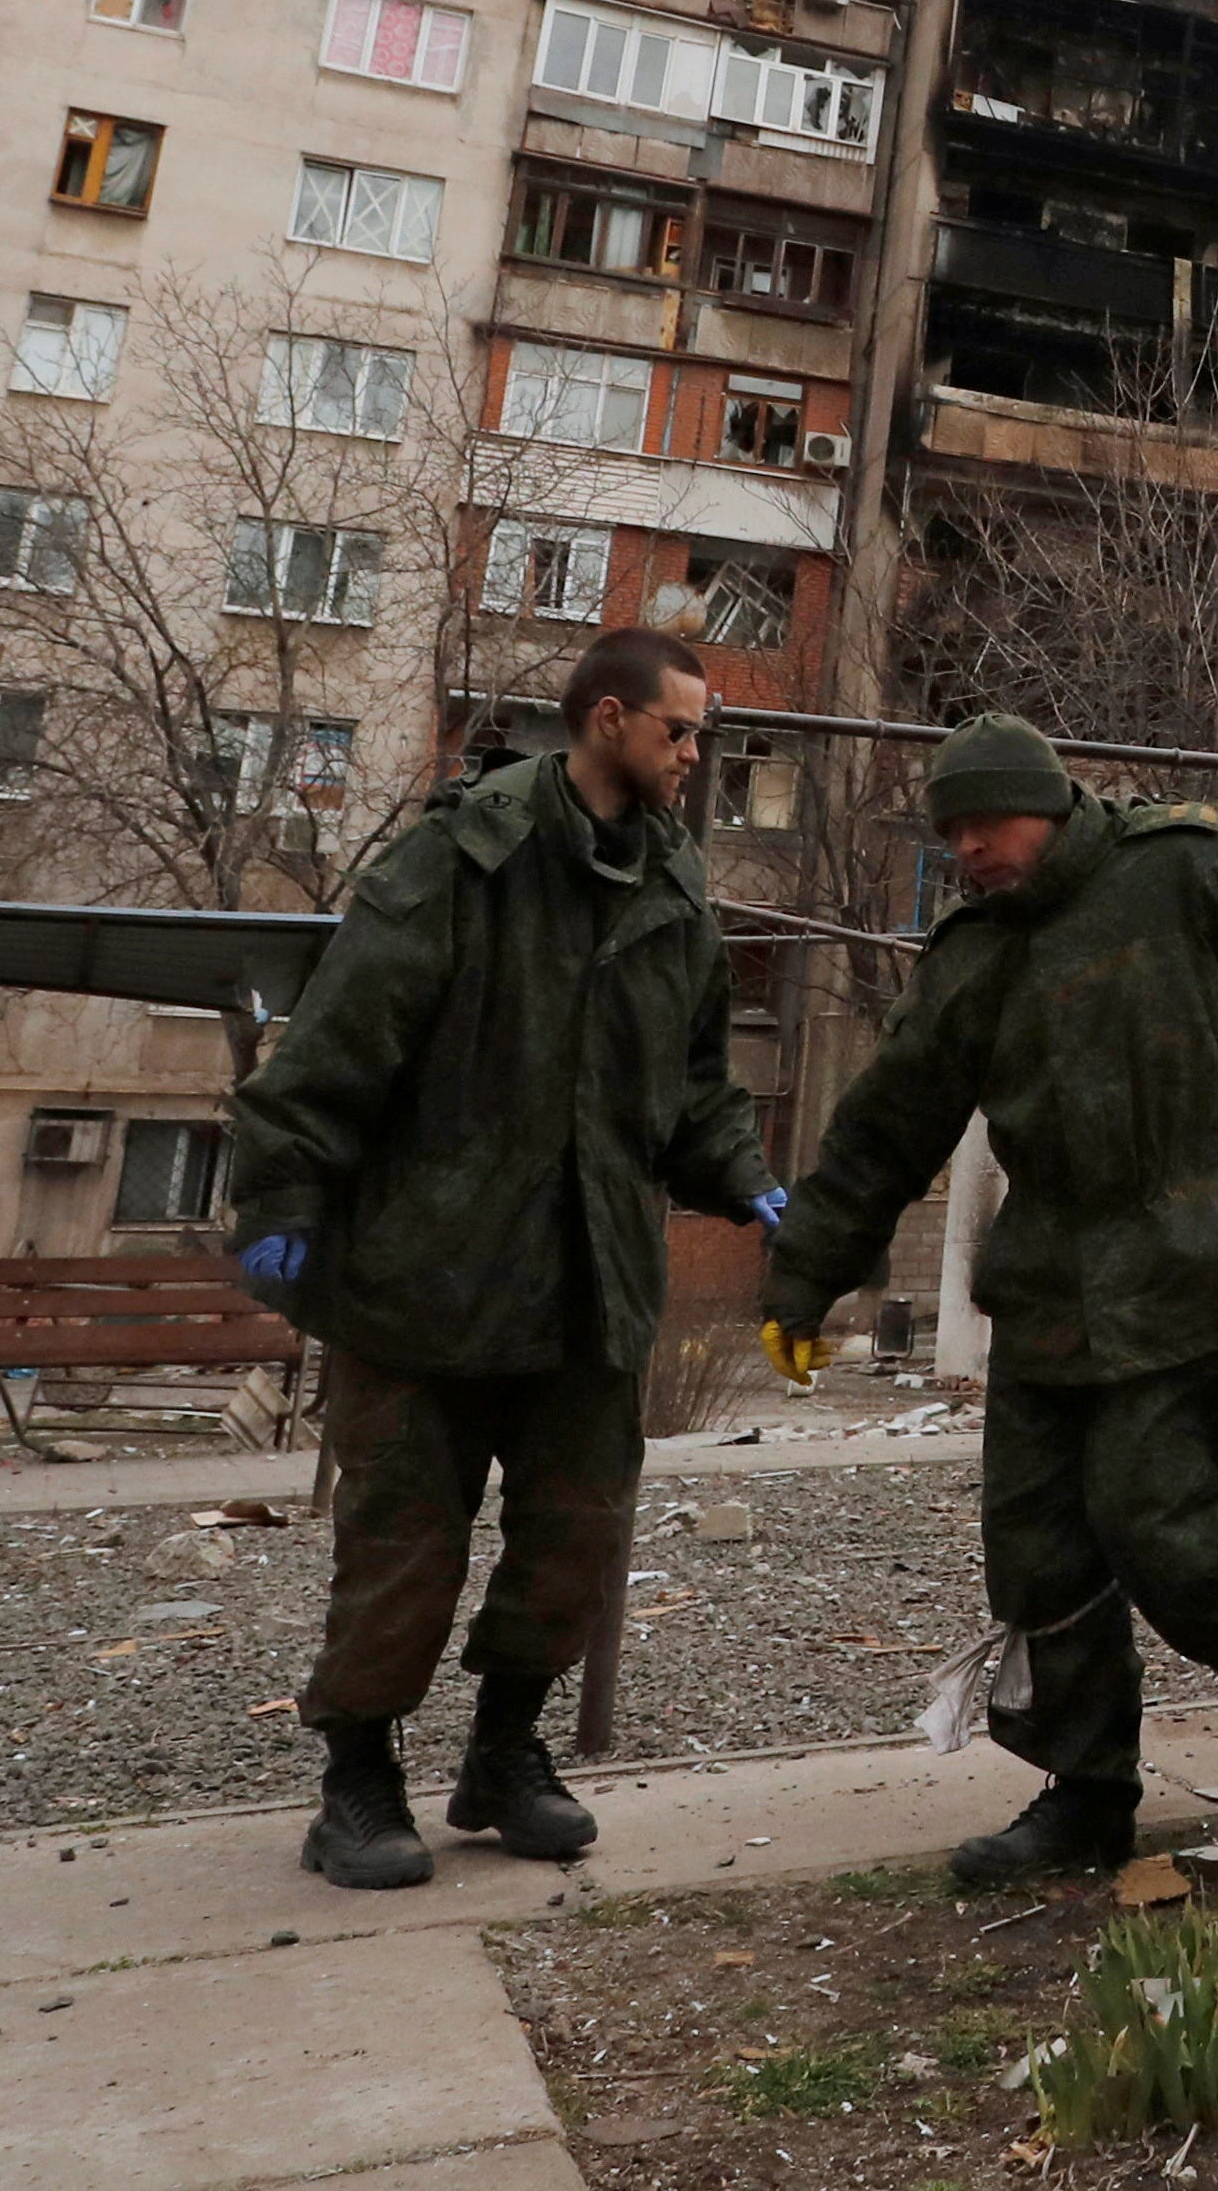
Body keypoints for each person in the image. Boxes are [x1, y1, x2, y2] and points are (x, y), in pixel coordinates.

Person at [759, 713, 1218, 1888]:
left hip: (1191, 1270)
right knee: (1040, 1558)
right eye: (949, 833)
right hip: (1049, 1290)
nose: (966, 850)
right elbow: (886, 1123)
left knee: (1170, 1532)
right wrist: (806, 1268)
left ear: (1046, 807)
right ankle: (1088, 1790)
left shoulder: (1184, 871)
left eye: (984, 824)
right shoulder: (975, 951)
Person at [225, 626, 773, 1891]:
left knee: (575, 1531)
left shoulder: (676, 889)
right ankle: (357, 1778)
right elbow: (339, 1041)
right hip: (429, 1270)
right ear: (605, 721)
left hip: (590, 1280)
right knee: (405, 1535)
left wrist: (748, 1179)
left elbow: (692, 1088)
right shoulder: (460, 858)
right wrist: (289, 1193)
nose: (695, 753)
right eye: (679, 729)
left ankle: (504, 1751)